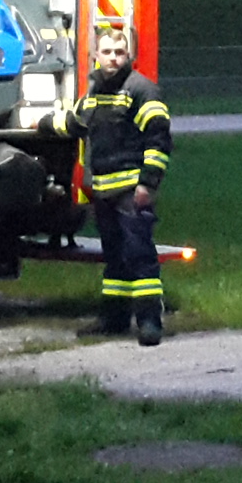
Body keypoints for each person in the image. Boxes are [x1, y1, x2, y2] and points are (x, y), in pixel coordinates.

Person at [61, 23, 171, 346]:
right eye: (107, 52)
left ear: (130, 56)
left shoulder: (142, 91)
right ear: (96, 55)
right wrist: (38, 125)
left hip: (131, 190)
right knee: (115, 257)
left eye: (119, 52)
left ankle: (150, 321)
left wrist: (147, 184)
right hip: (105, 190)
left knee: (140, 255)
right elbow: (74, 122)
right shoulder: (95, 92)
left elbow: (159, 141)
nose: (113, 58)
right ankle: (114, 318)